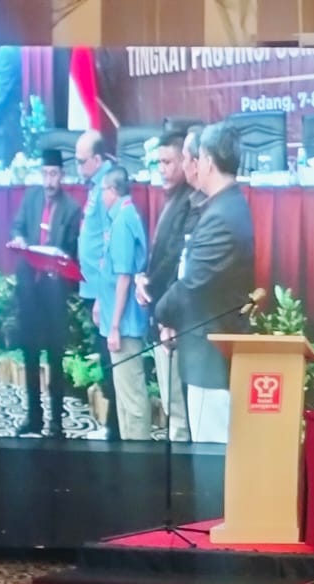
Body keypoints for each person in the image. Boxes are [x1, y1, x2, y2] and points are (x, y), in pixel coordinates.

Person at [154, 122, 255, 444]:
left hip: (211, 356)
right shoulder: (224, 206)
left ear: (208, 161)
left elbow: (192, 284)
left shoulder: (222, 216)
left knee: (212, 454)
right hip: (206, 348)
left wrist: (161, 313)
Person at [7, 148, 83, 437]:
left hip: (53, 293)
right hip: (29, 292)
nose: (49, 180)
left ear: (62, 176)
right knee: (30, 354)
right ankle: (34, 417)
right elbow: (17, 226)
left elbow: (72, 251)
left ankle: (57, 422)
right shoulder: (31, 198)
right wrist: (18, 239)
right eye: (45, 174)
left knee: (54, 357)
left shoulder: (71, 208)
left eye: (54, 174)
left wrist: (58, 259)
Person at [136, 130, 202, 442]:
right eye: (158, 162)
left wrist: (152, 289)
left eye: (168, 162)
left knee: (178, 407)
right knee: (170, 400)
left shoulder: (190, 202)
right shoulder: (171, 200)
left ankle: (183, 463)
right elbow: (159, 255)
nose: (162, 169)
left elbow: (177, 260)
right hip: (162, 312)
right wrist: (143, 277)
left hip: (176, 319)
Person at [96, 165, 150, 441]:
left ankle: (139, 455)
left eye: (103, 190)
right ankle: (130, 451)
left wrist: (114, 326)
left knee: (132, 397)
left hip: (125, 324)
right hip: (120, 320)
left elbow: (124, 277)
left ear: (113, 190)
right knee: (125, 397)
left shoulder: (122, 221)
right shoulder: (123, 216)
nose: (100, 196)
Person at [74, 131, 117, 440]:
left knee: (110, 357)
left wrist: (102, 294)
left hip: (104, 291)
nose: (78, 167)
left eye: (81, 161)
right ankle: (112, 424)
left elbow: (110, 244)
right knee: (104, 357)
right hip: (92, 287)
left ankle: (114, 427)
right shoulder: (95, 184)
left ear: (98, 159)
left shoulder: (108, 186)